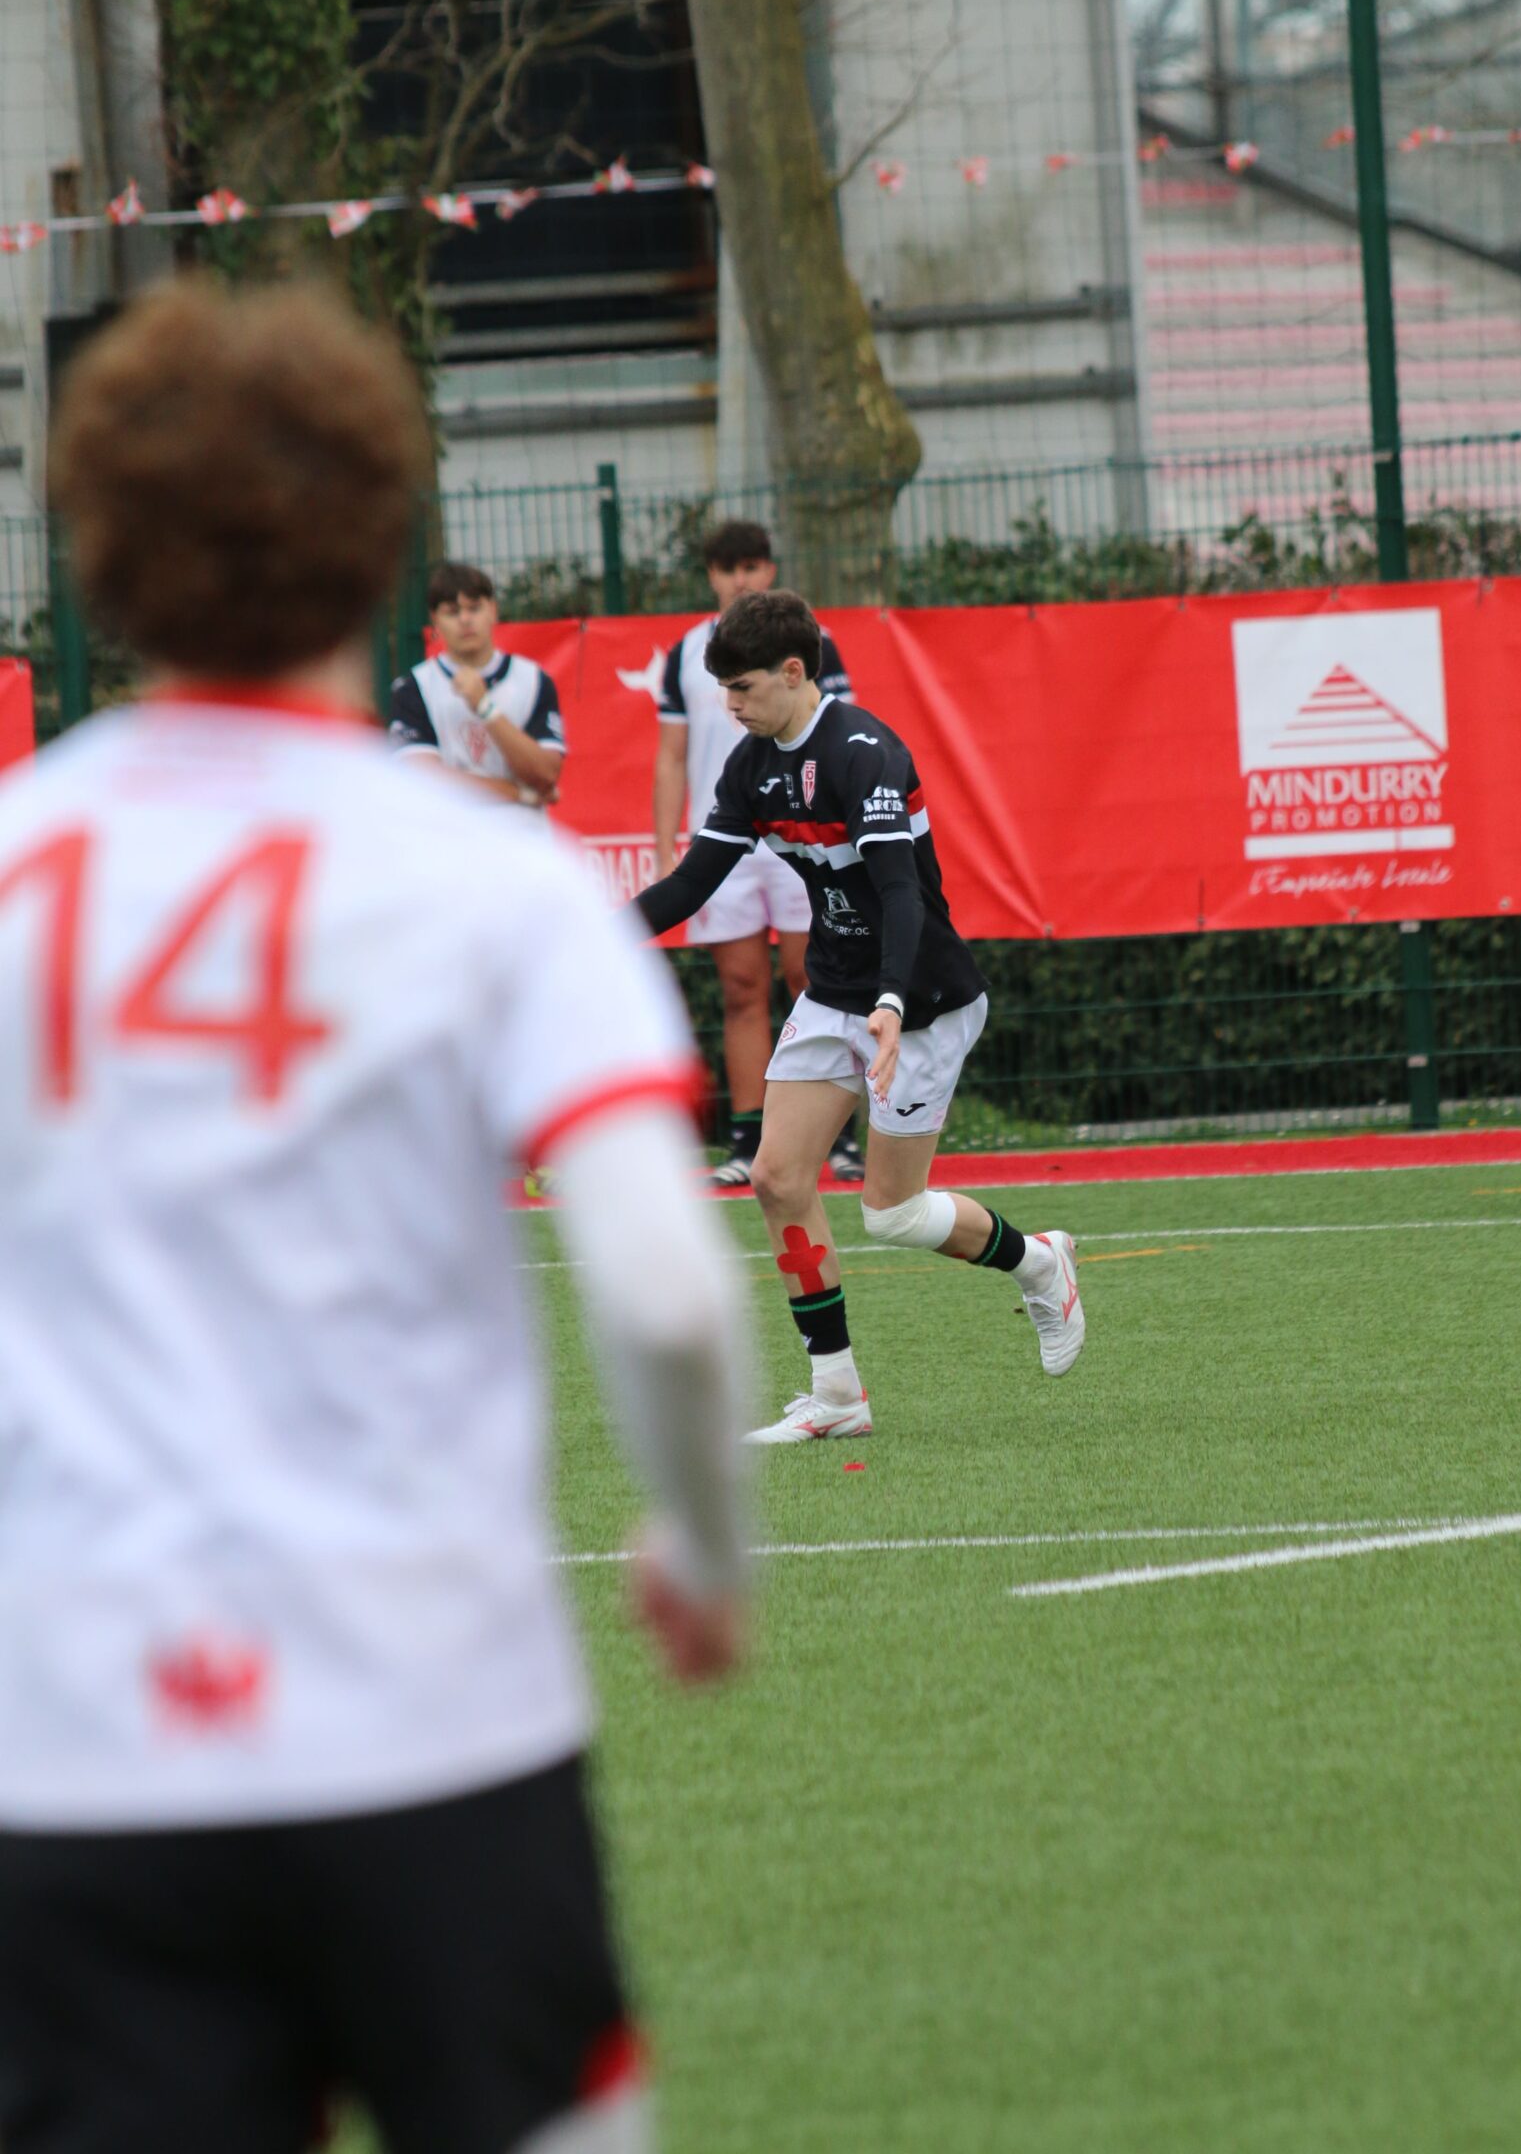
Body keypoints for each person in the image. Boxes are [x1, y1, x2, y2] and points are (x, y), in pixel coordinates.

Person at [0, 278, 750, 2154]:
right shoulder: (493, 888)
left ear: (99, 546)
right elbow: (666, 1290)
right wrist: (701, 1542)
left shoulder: (17, 865)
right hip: (433, 1724)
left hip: (74, 1751)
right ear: (381, 531)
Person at [635, 588, 1081, 1444]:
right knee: (776, 1178)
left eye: (742, 688)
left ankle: (1038, 1262)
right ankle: (837, 1394)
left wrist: (890, 1000)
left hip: (922, 1001)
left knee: (892, 1213)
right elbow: (691, 885)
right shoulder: (749, 767)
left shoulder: (864, 752)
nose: (729, 706)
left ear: (791, 672)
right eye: (722, 690)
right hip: (834, 994)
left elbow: (900, 892)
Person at [654, 518, 862, 1189]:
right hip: (726, 840)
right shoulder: (685, 653)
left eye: (751, 566)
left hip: (804, 838)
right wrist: (666, 849)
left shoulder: (810, 642)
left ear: (769, 570)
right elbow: (671, 756)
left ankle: (838, 1139)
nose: (740, 579)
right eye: (727, 568)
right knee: (741, 989)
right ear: (711, 576)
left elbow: (840, 740)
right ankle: (748, 1140)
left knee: (815, 979)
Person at [390, 560, 565, 807]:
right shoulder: (414, 688)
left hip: (520, 829)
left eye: (474, 608)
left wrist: (485, 707)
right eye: (452, 612)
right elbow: (422, 781)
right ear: (435, 620)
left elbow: (546, 775)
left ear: (492, 610)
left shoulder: (533, 680)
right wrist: (517, 793)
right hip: (450, 829)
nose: (465, 619)